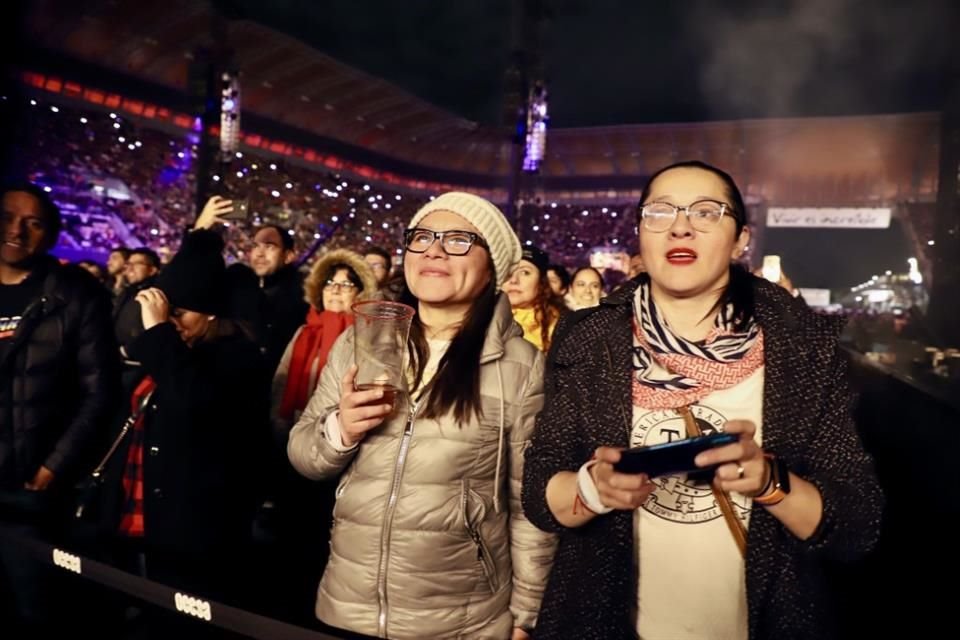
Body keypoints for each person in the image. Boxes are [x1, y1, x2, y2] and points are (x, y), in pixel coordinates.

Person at [522, 161, 883, 640]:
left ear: (740, 240)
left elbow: (858, 526)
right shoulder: (588, 339)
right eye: (660, 212)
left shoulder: (803, 347)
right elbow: (539, 488)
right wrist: (594, 489)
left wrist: (770, 481)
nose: (680, 226)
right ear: (641, 233)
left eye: (706, 212)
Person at [288, 192, 555, 639]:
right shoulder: (360, 343)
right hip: (348, 604)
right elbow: (303, 453)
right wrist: (339, 431)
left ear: (493, 266)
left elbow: (527, 505)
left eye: (457, 239)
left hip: (464, 618)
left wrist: (526, 615)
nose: (433, 249)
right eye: (422, 237)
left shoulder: (522, 366)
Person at [97, 229, 268, 637]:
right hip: (145, 523)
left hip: (198, 539)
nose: (170, 323)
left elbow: (192, 401)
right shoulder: (168, 348)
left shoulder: (238, 360)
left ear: (210, 314)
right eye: (165, 312)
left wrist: (160, 332)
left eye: (180, 314)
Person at [0, 182, 118, 632]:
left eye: (33, 223)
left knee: (35, 609)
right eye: (9, 217)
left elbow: (99, 392)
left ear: (49, 235)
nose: (17, 230)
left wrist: (54, 465)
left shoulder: (75, 296)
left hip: (30, 488)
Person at [266, 248, 377, 624]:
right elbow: (281, 386)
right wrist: (282, 432)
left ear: (360, 293)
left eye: (347, 284)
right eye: (330, 282)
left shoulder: (366, 336)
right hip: (297, 443)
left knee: (322, 535)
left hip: (342, 452)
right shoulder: (304, 330)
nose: (336, 290)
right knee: (291, 530)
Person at [504, 245, 563, 352]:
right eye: (509, 272)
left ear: (541, 282)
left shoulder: (559, 328)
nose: (514, 280)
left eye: (525, 272)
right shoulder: (478, 317)